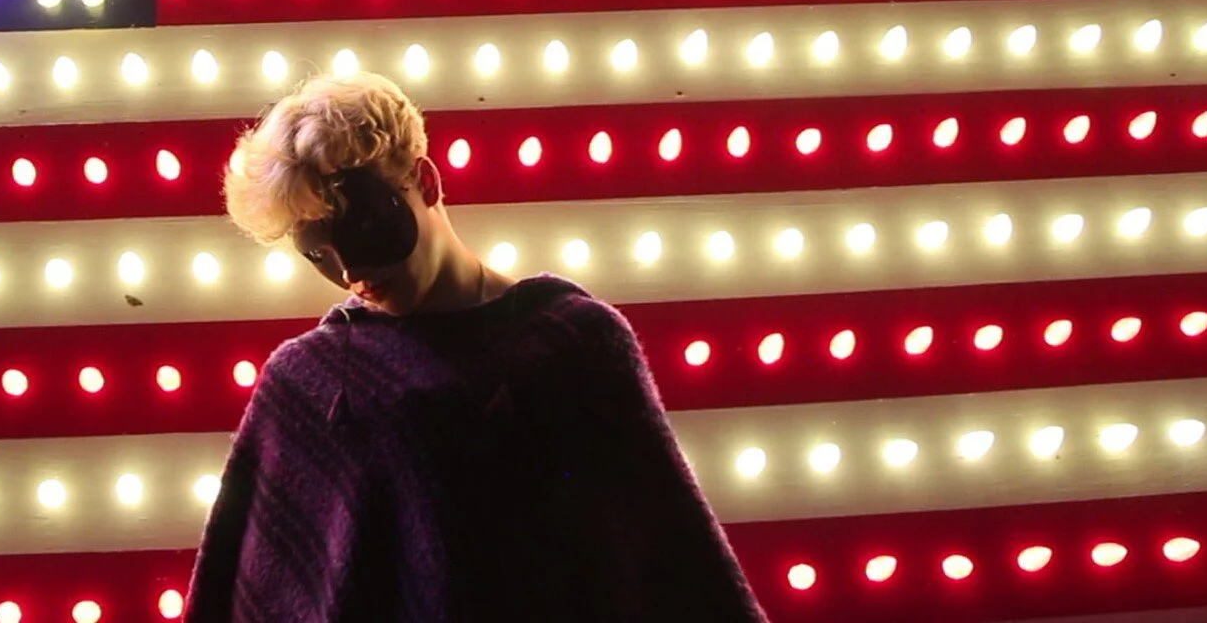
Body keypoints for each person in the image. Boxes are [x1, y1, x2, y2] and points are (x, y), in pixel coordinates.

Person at [184, 71, 769, 622]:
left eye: (362, 227)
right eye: (318, 254)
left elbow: (672, 560)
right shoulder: (311, 382)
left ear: (426, 181)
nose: (350, 274)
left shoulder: (576, 346)